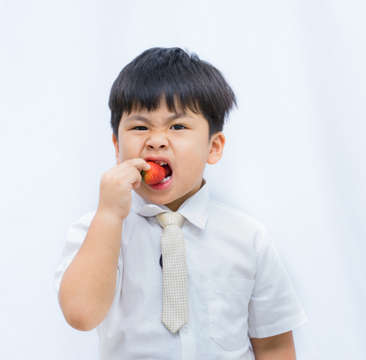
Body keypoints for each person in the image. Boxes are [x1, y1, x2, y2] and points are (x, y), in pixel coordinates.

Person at [54, 47, 308, 359]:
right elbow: (81, 314)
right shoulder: (97, 230)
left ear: (213, 147)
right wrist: (108, 215)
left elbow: (274, 344)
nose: (156, 140)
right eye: (140, 127)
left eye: (177, 127)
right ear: (117, 146)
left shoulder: (247, 237)